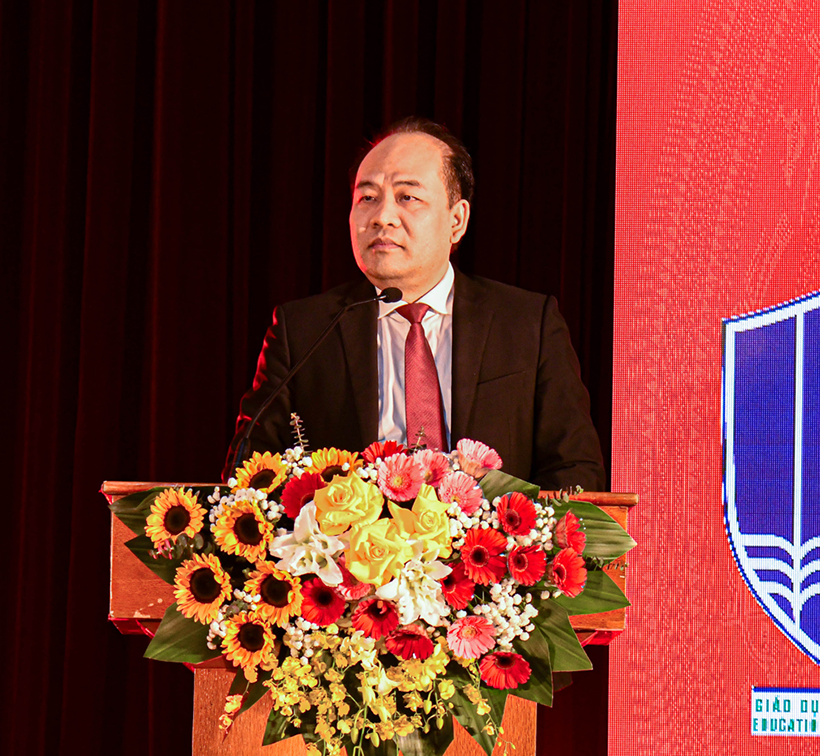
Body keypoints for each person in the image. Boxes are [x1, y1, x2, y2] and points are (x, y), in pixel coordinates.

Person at [225, 117, 605, 490]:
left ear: (457, 220)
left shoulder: (527, 325)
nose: (382, 217)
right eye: (367, 198)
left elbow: (575, 471)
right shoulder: (304, 331)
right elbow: (247, 475)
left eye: (407, 197)